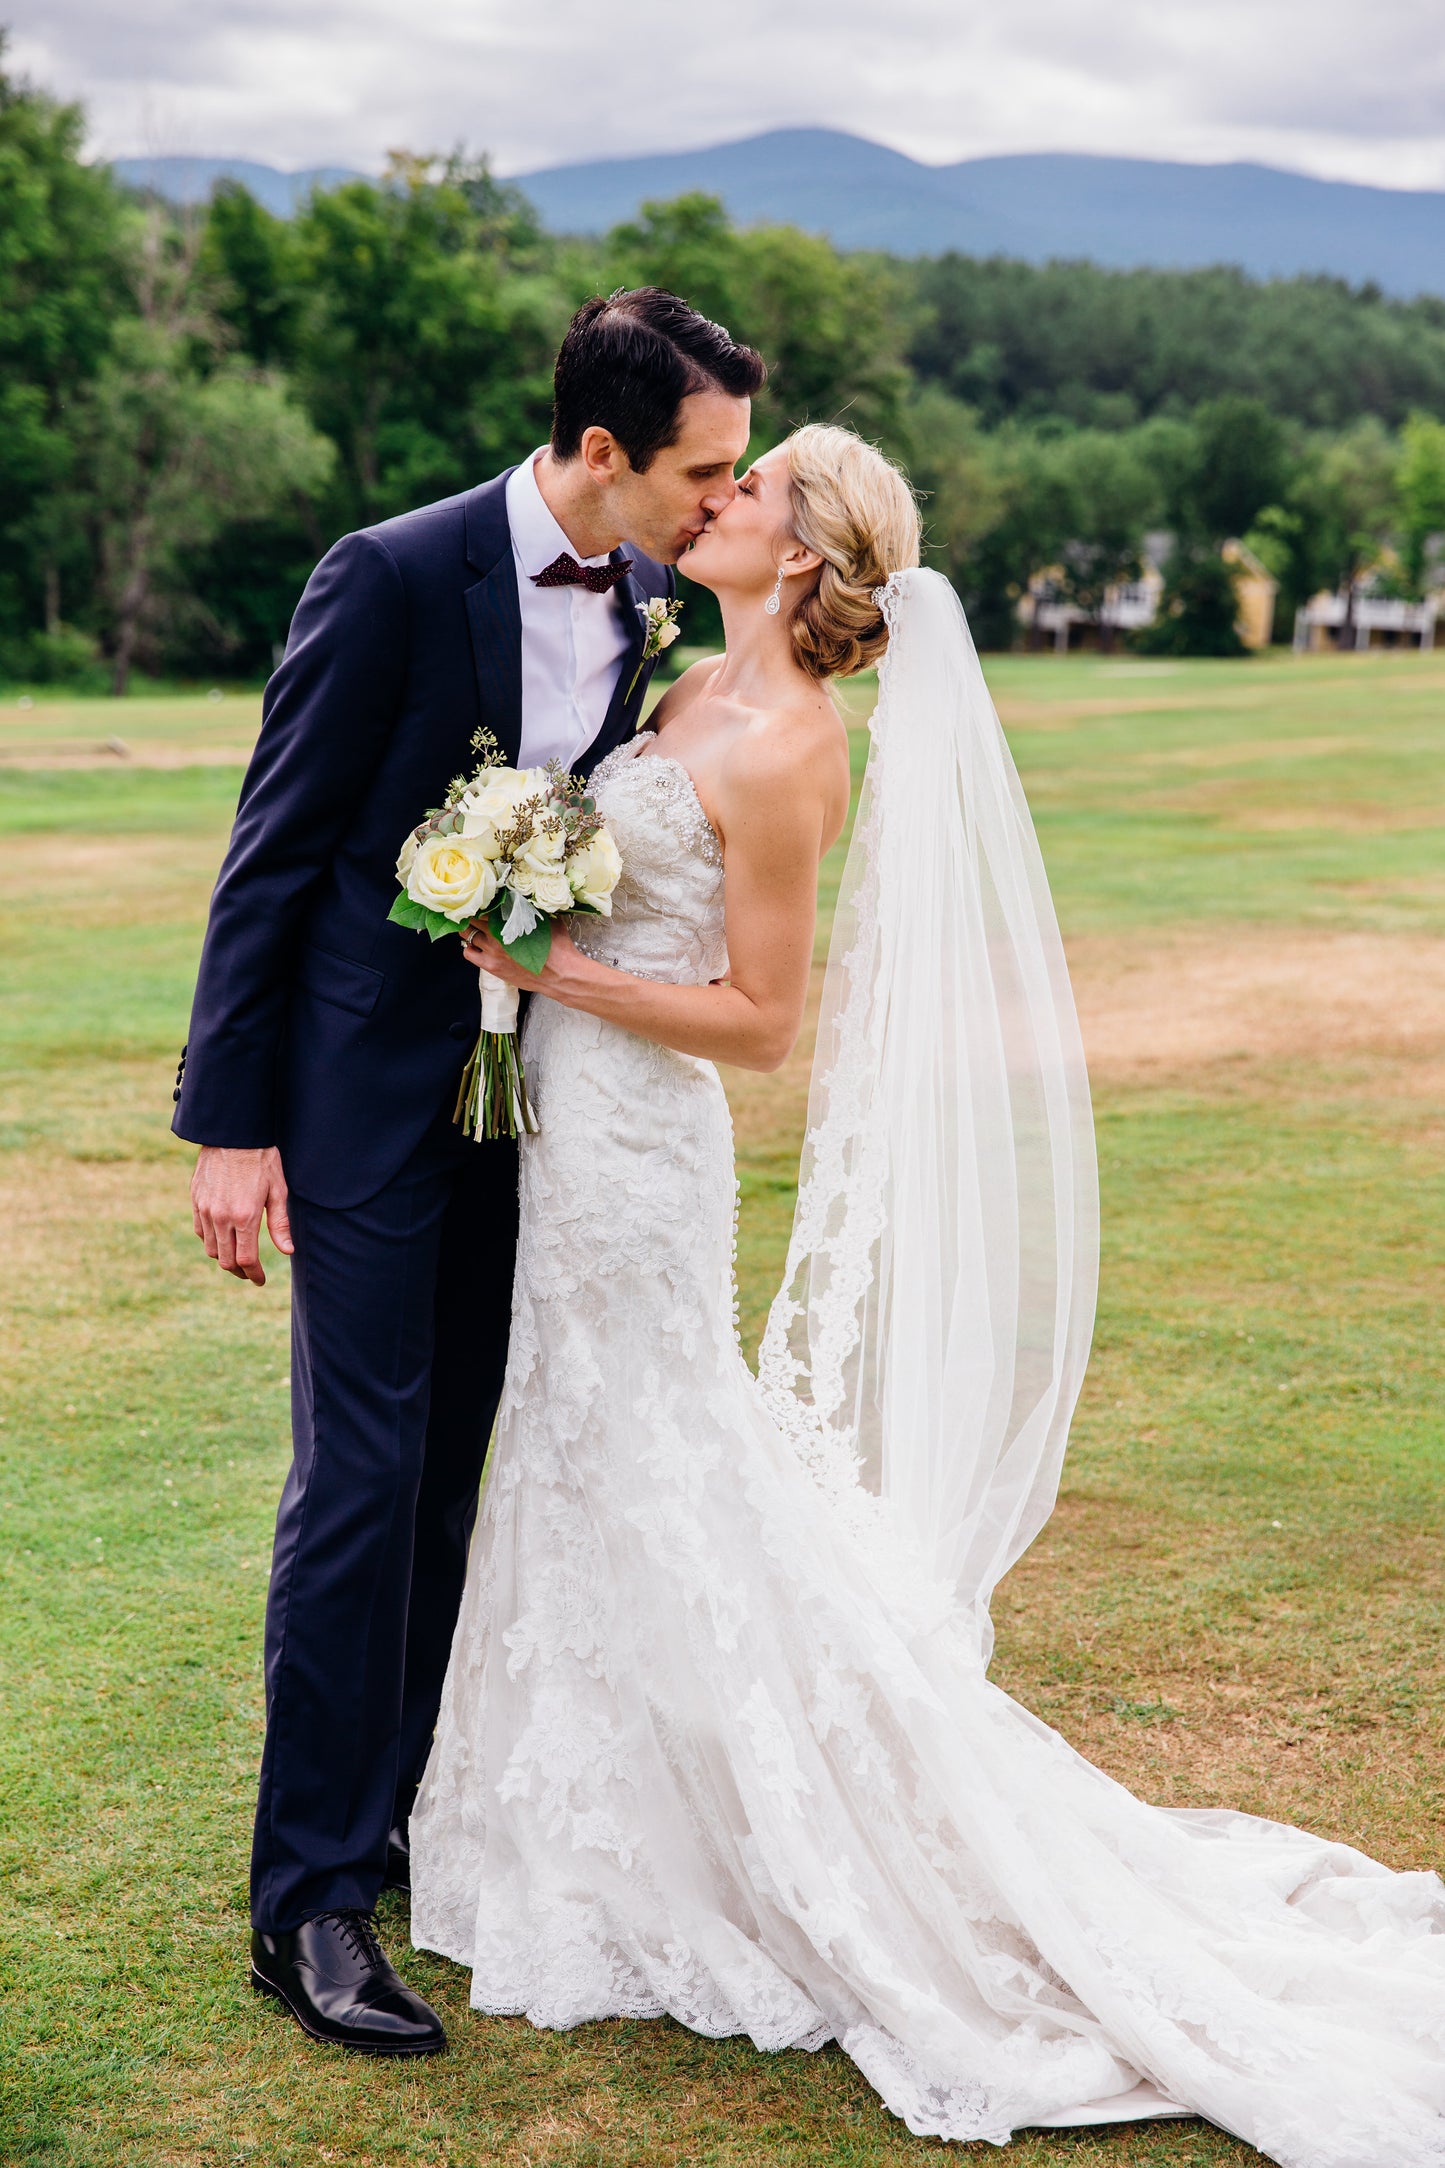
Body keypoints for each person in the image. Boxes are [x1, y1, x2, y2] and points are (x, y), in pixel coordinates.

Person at [411, 422, 1445, 2161]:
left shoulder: (793, 746)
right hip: (566, 1125)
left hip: (641, 1155)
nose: (711, 497)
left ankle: (757, 1845)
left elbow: (758, 1021)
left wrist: (557, 968)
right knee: (578, 1447)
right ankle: (586, 1813)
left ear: (801, 555)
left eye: (745, 489)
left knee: (654, 1450)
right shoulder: (677, 697)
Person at [172, 289, 765, 2053]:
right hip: (359, 1095)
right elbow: (273, 849)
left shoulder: (657, 593)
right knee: (360, 1477)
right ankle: (310, 1909)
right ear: (600, 453)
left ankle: (414, 1819)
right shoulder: (390, 572)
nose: (719, 501)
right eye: (700, 469)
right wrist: (230, 1121)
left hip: (541, 1109)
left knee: (454, 1482)